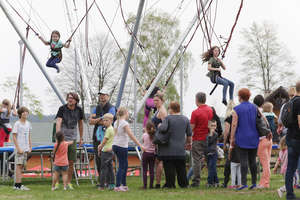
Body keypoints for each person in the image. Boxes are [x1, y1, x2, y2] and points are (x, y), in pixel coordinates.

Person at [157, 101, 192, 188]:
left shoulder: (168, 118)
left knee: (169, 168)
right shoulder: (185, 119)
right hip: (180, 149)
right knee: (181, 168)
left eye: (169, 108)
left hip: (169, 149)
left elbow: (163, 129)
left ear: (171, 109)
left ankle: (170, 184)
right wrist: (188, 143)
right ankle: (184, 184)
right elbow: (189, 134)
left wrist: (159, 125)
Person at [230, 88, 259, 190]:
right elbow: (262, 120)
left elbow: (234, 124)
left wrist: (231, 138)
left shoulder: (236, 109)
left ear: (240, 97)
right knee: (253, 161)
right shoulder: (255, 107)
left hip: (241, 137)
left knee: (243, 161)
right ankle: (254, 183)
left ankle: (243, 183)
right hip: (254, 137)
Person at [56, 92, 84, 190]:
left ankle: (68, 182)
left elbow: (80, 124)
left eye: (72, 98)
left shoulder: (79, 110)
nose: (70, 99)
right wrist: (58, 136)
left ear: (76, 100)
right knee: (59, 162)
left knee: (71, 161)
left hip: (73, 138)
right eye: (68, 98)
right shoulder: (62, 109)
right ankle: (57, 183)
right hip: (62, 138)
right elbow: (58, 122)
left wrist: (81, 138)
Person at [112, 107, 145, 192]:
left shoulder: (116, 122)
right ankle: (118, 186)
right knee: (122, 166)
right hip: (121, 146)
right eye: (128, 113)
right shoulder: (124, 123)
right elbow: (131, 135)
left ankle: (124, 184)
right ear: (125, 113)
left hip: (116, 145)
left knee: (124, 165)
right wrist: (140, 145)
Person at [89, 89, 116, 185]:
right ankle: (102, 180)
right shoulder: (96, 107)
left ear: (108, 96)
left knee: (107, 160)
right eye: (100, 95)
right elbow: (90, 121)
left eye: (104, 95)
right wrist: (101, 119)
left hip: (107, 137)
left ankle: (109, 181)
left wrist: (98, 120)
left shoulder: (112, 107)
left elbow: (110, 120)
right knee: (98, 159)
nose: (102, 96)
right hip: (97, 137)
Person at [190, 92, 214, 187]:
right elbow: (211, 125)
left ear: (197, 100)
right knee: (210, 160)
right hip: (208, 138)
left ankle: (196, 181)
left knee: (197, 160)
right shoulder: (210, 110)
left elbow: (191, 127)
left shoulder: (195, 112)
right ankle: (211, 180)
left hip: (197, 138)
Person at [284, 81, 300, 200]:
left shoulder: (291, 101)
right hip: (298, 138)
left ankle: (290, 194)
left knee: (290, 167)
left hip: (290, 137)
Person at [12, 106, 32, 190]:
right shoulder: (17, 123)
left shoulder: (28, 124)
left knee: (22, 167)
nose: (25, 113)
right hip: (19, 148)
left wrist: (30, 146)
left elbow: (29, 136)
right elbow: (14, 136)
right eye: (23, 112)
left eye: (26, 111)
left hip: (25, 148)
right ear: (20, 114)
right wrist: (18, 148)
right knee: (18, 166)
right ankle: (17, 185)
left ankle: (18, 185)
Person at [152, 93, 167, 188]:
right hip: (157, 138)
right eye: (154, 100)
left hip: (160, 139)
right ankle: (158, 182)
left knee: (160, 161)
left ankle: (158, 183)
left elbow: (165, 126)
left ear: (162, 101)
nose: (155, 102)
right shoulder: (158, 110)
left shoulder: (162, 111)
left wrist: (158, 128)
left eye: (157, 100)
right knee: (158, 161)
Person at [97, 113, 115, 191]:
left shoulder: (109, 129)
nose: (104, 122)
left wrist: (100, 146)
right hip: (110, 151)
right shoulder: (112, 129)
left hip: (106, 151)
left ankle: (101, 186)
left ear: (111, 121)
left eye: (106, 120)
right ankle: (111, 184)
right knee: (110, 168)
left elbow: (105, 140)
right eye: (103, 120)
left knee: (103, 169)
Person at [222, 101, 235, 188]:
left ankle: (226, 181)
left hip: (229, 142)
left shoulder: (228, 118)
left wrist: (224, 143)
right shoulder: (237, 116)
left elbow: (226, 132)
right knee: (236, 162)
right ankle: (236, 180)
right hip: (237, 141)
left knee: (228, 162)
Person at [142, 121, 156, 189]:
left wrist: (145, 132)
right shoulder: (154, 135)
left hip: (145, 154)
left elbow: (143, 141)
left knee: (144, 170)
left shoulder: (144, 135)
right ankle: (151, 185)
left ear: (146, 128)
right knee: (151, 170)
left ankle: (145, 186)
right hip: (152, 154)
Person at [205, 120, 219, 187]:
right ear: (208, 126)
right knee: (211, 168)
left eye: (215, 125)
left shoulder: (215, 134)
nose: (213, 127)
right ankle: (216, 181)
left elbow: (210, 142)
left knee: (212, 167)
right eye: (212, 126)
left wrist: (211, 134)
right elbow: (206, 144)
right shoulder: (207, 135)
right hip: (207, 153)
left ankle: (209, 182)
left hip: (213, 153)